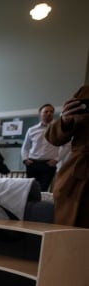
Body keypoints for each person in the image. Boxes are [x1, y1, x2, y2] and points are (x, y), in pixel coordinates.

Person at [45, 86, 89, 227]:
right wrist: (64, 120)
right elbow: (54, 139)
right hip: (79, 172)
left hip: (79, 167)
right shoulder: (85, 92)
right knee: (70, 224)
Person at [21, 103, 70, 192]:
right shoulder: (32, 130)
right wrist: (25, 159)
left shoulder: (58, 129)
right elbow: (25, 147)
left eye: (51, 111)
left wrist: (57, 159)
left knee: (42, 190)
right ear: (40, 114)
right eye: (46, 111)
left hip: (48, 164)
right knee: (30, 190)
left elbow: (67, 145)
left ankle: (40, 206)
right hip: (32, 163)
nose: (49, 113)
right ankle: (30, 206)